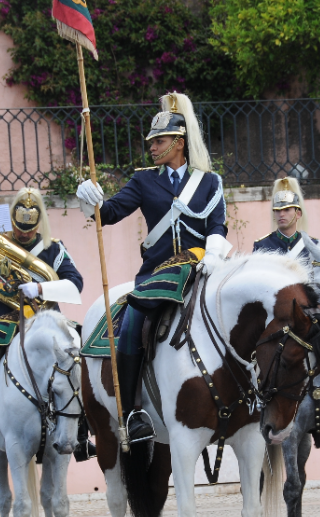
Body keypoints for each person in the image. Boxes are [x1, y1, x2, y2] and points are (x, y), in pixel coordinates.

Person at [75, 92, 229, 445]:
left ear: (178, 142)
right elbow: (111, 213)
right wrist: (91, 200)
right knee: (131, 323)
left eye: (159, 141)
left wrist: (213, 257)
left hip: (202, 266)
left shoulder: (209, 182)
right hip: (158, 274)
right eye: (151, 142)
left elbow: (217, 226)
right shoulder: (144, 180)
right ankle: (132, 412)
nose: (153, 148)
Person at [0, 187, 85, 471]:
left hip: (46, 321)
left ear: (39, 223)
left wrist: (40, 287)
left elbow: (75, 284)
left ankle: (81, 435)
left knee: (80, 363)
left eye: (29, 229)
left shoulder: (54, 248)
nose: (23, 234)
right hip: (6, 323)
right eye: (19, 228)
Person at [253, 177, 316, 258]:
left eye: (287, 210)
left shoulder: (313, 245)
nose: (281, 214)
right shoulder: (262, 246)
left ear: (298, 214)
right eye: (277, 210)